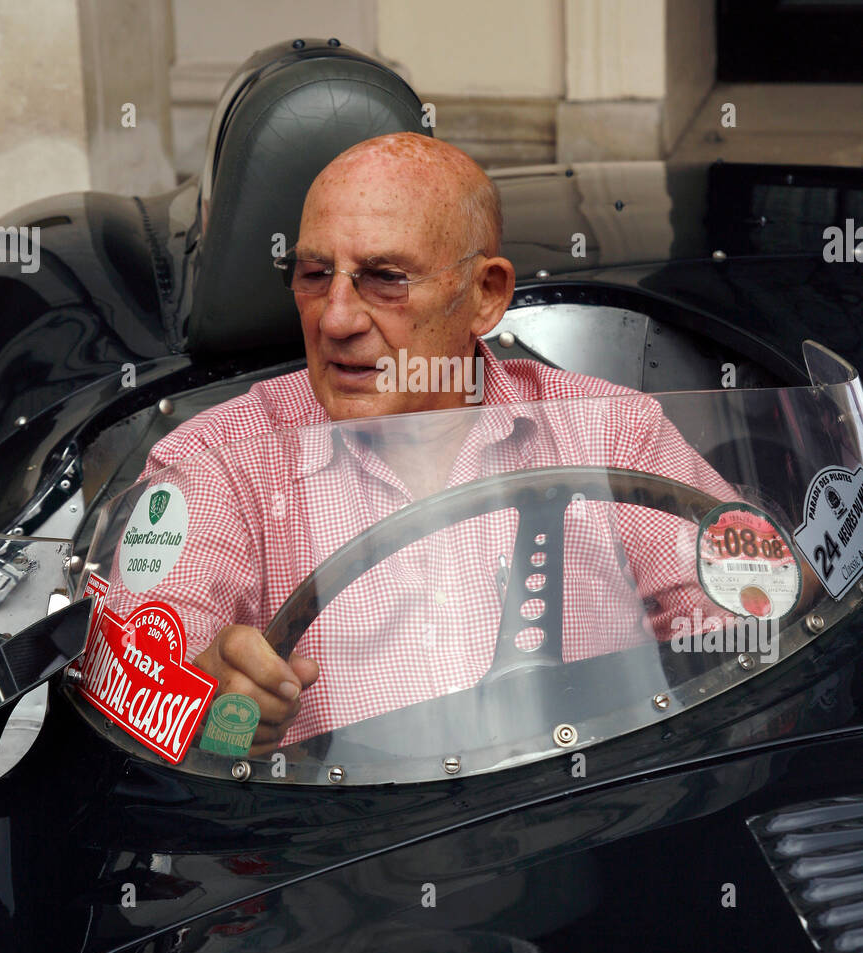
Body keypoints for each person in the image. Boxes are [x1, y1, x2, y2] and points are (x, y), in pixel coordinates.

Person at [106, 132, 742, 754]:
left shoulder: (610, 429)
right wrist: (198, 703)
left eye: (385, 278)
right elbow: (136, 679)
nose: (335, 319)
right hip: (348, 848)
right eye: (314, 273)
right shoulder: (218, 461)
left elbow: (747, 631)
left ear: (486, 296)